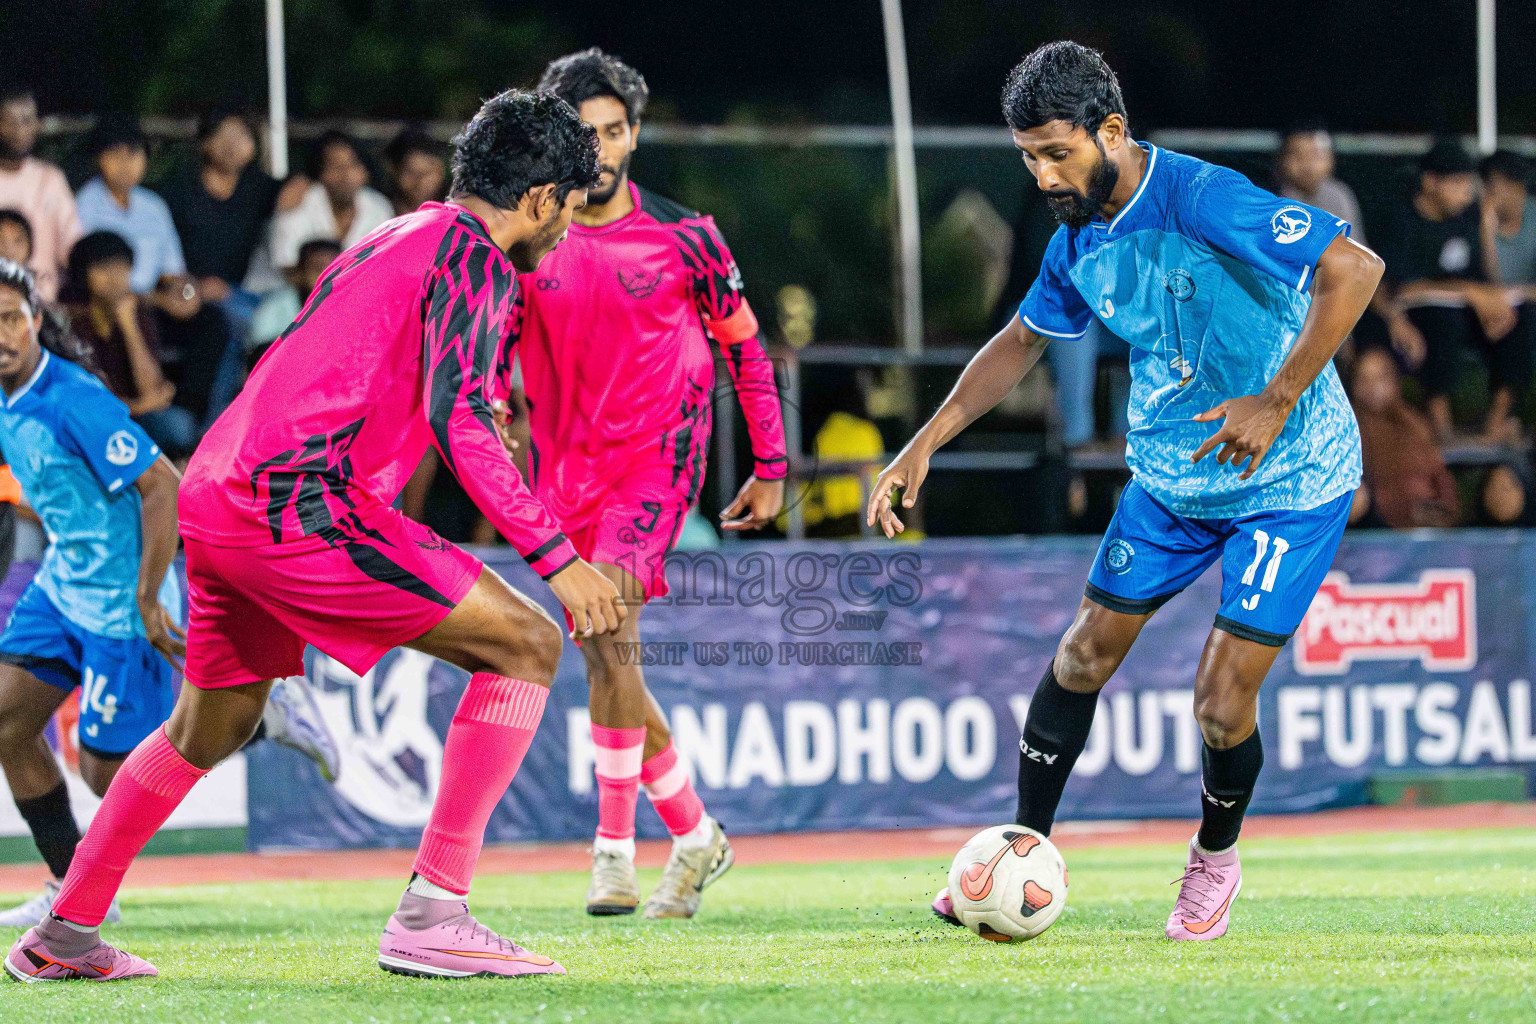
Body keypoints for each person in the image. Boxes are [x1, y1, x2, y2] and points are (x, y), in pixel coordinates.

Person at [6, 88, 623, 983]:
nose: (572, 220)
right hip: (297, 501)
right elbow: (461, 422)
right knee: (527, 642)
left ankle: (64, 932)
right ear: (539, 199)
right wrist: (559, 561)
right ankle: (434, 912)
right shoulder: (473, 257)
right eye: (571, 200)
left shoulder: (395, 234)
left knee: (207, 726)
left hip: (219, 496)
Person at [870, 42, 1381, 942]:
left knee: (1222, 700)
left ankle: (1213, 865)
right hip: (1174, 479)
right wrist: (922, 444)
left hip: (1290, 477)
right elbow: (1021, 342)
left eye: (1057, 152)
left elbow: (1357, 268)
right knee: (1079, 658)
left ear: (1112, 129)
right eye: (1027, 155)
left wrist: (1276, 398)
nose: (1041, 174)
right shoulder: (1076, 242)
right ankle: (1018, 850)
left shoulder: (1202, 197)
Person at [531, 48, 786, 918]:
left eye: (613, 132)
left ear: (634, 134)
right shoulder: (524, 244)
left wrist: (772, 464)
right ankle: (696, 835)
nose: (600, 150)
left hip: (655, 462)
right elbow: (484, 347)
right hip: (560, 478)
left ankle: (611, 854)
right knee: (612, 658)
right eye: (584, 135)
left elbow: (747, 349)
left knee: (614, 631)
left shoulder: (687, 236)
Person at [0, 258, 182, 930]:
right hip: (62, 583)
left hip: (121, 600)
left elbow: (163, 485)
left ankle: (260, 719)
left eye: (10, 319)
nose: (1, 334)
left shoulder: (73, 398)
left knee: (108, 777)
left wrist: (146, 597)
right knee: (8, 724)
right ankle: (64, 884)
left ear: (36, 322)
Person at [74, 112, 235, 427]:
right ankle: (170, 424)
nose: (126, 163)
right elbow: (93, 278)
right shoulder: (85, 204)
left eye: (134, 154)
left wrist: (187, 294)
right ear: (99, 159)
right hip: (109, 308)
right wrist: (160, 300)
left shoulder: (153, 206)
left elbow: (173, 273)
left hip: (155, 306)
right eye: (116, 155)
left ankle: (197, 421)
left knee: (217, 321)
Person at [1372, 140, 1530, 441]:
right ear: (1431, 182)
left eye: (1470, 184)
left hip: (1466, 311)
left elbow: (1485, 279)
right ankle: (1442, 429)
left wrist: (1484, 226)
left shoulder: (1468, 216)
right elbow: (1401, 287)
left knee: (1519, 317)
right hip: (1416, 315)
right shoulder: (1401, 219)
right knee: (1441, 320)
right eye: (1458, 183)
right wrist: (1470, 292)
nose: (1467, 193)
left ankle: (1495, 423)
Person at [61, 230, 196, 459]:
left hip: (134, 417)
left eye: (121, 267)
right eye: (103, 269)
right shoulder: (69, 322)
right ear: (84, 274)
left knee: (178, 424)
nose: (115, 277)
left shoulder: (136, 314)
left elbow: (151, 387)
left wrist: (129, 324)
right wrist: (142, 405)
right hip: (91, 425)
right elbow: (85, 401)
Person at [1348, 347, 1459, 528]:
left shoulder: (1414, 423)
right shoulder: (1349, 427)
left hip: (1425, 523)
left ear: (1394, 381)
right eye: (1364, 379)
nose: (1373, 387)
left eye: (1380, 377)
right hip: (1376, 525)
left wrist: (1441, 508)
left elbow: (1439, 476)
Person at [268, 130, 393, 272]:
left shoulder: (379, 207)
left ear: (365, 171)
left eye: (353, 165)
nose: (346, 175)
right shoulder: (298, 202)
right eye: (335, 166)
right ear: (319, 171)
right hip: (296, 291)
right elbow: (286, 266)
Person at [0, 88, 81, 302]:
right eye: (9, 121)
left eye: (27, 120)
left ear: (37, 124)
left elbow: (73, 247)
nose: (19, 130)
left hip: (44, 304)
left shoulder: (51, 179)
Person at [245, 237, 342, 367]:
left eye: (333, 269)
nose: (326, 276)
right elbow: (259, 350)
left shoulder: (346, 307)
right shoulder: (278, 303)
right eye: (318, 268)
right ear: (300, 273)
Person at [1275, 124, 1367, 244]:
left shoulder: (1339, 195)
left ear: (1331, 159)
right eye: (1298, 156)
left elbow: (1356, 247)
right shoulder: (1271, 197)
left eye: (1316, 156)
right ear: (1282, 159)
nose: (1307, 165)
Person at [385, 127, 448, 215]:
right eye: (411, 173)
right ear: (395, 172)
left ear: (441, 170)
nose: (420, 182)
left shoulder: (457, 209)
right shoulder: (381, 209)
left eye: (427, 173)